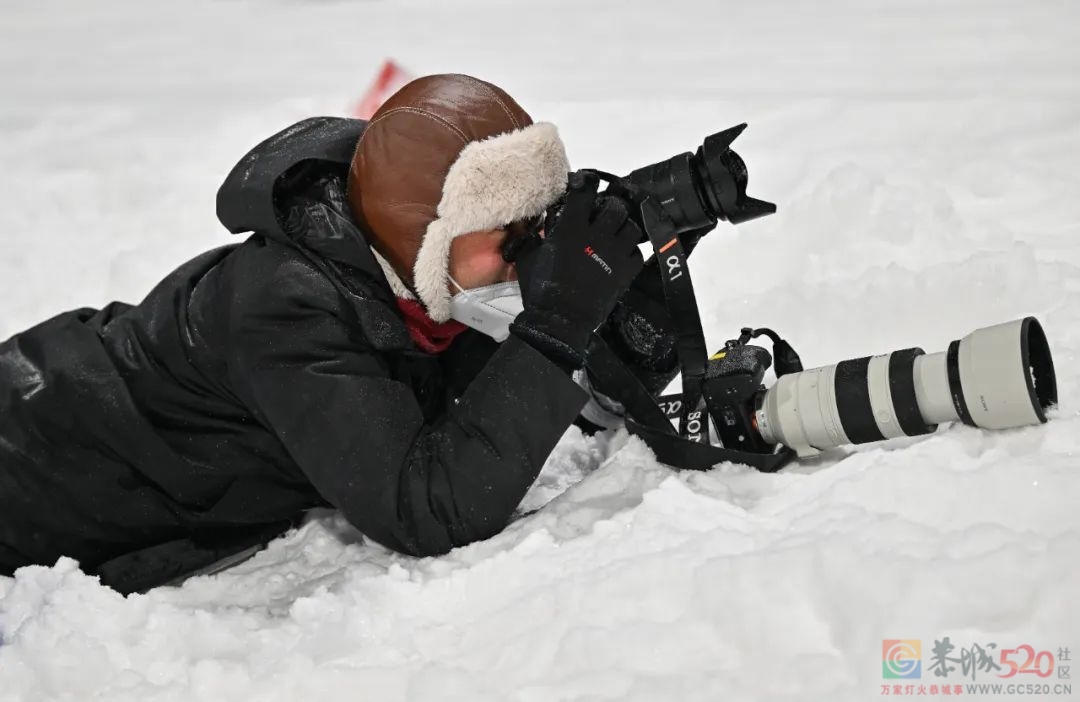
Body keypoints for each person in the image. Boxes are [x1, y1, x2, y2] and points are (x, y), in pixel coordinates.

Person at [0, 74, 700, 594]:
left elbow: (560, 398)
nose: (531, 254)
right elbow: (426, 509)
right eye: (509, 234)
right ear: (423, 234)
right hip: (30, 455)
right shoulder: (286, 308)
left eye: (539, 225)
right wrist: (555, 323)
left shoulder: (420, 278)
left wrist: (631, 278)